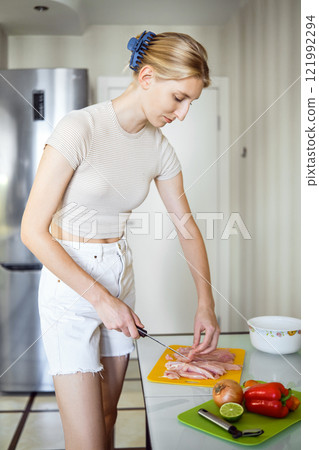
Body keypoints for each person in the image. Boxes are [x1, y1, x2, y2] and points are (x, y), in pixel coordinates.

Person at [21, 31, 220, 450]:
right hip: (69, 283)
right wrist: (101, 299)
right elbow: (32, 231)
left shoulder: (159, 149)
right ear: (147, 77)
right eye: (179, 98)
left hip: (119, 272)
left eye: (191, 103)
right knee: (88, 440)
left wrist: (206, 303)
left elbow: (186, 226)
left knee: (110, 415)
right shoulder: (80, 128)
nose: (183, 114)